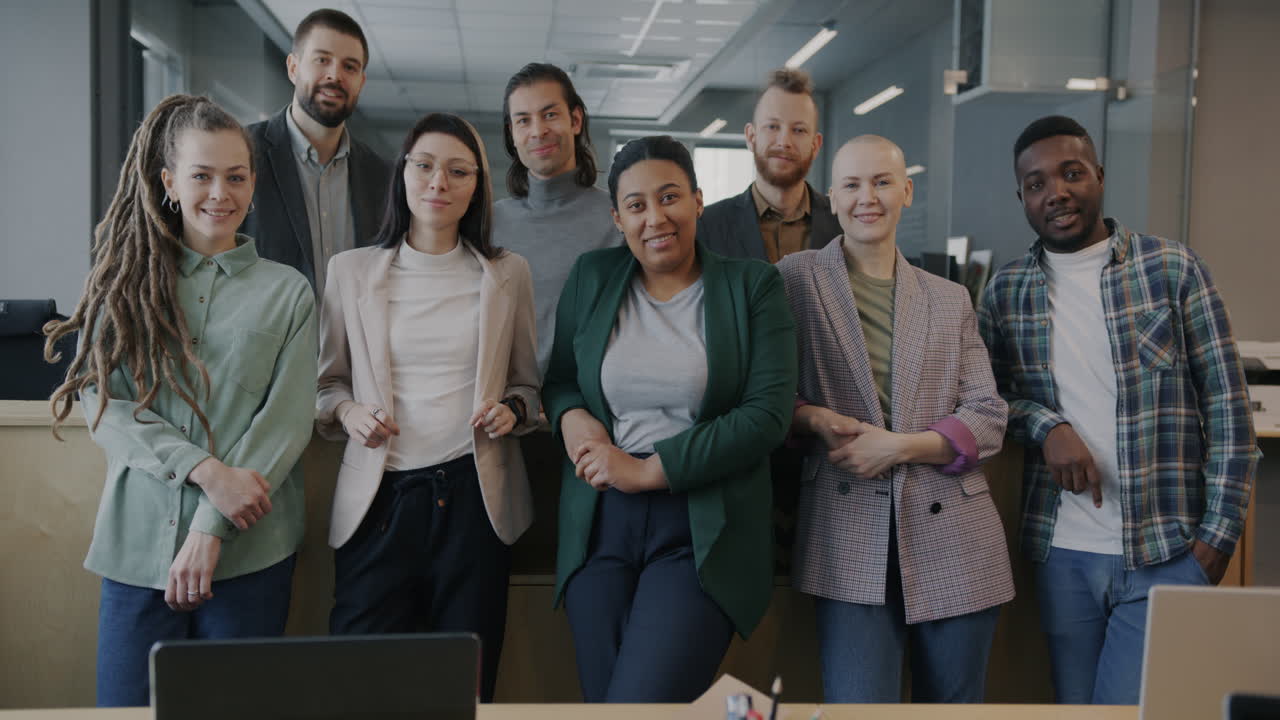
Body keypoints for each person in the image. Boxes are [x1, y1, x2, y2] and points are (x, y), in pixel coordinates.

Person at [44, 94, 317, 707]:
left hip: (250, 557)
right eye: (201, 175)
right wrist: (201, 469)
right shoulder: (123, 280)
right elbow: (102, 404)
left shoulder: (288, 293)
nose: (220, 192)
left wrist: (211, 525)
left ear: (253, 184)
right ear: (169, 181)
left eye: (236, 176)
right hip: (135, 548)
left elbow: (286, 422)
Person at [978, 115, 1260, 704]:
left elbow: (1231, 413)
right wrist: (1046, 424)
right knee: (1077, 711)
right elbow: (985, 397)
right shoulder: (1005, 292)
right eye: (1036, 183)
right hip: (1064, 555)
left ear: (1099, 177)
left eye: (1071, 173)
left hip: (1167, 549)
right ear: (1022, 198)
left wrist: (1217, 537)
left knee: (1133, 712)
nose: (1055, 192)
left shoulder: (1173, 269)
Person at [542, 135, 798, 702]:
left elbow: (766, 417)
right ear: (617, 218)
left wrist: (648, 471)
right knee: (607, 707)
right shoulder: (591, 277)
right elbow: (559, 380)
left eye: (670, 197)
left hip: (700, 526)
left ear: (699, 202)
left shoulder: (753, 286)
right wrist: (571, 418)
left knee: (640, 706)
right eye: (636, 205)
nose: (655, 218)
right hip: (600, 524)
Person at [779, 136, 1013, 703]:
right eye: (853, 185)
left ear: (906, 191)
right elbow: (765, 393)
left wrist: (900, 447)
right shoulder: (794, 278)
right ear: (830, 197)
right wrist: (810, 416)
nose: (868, 198)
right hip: (846, 529)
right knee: (859, 707)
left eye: (882, 182)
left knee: (953, 713)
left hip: (956, 537)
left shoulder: (950, 297)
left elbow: (988, 414)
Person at [315, 112, 539, 703]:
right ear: (403, 175)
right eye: (425, 165)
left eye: (458, 170)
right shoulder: (352, 271)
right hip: (380, 499)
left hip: (473, 498)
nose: (439, 181)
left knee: (461, 687)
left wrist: (513, 410)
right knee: (361, 683)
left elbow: (529, 387)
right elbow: (326, 385)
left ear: (476, 186)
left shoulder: (507, 274)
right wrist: (348, 413)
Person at [244, 8, 390, 297]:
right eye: (322, 60)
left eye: (350, 67)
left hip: (354, 342)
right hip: (268, 341)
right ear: (293, 68)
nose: (335, 75)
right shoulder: (242, 153)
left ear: (361, 82)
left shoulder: (383, 176)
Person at [494, 62, 617, 379]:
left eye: (550, 114)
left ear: (575, 120)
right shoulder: (487, 222)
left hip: (590, 414)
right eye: (523, 120)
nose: (537, 131)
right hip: (502, 414)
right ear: (513, 133)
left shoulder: (618, 220)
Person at [698, 67, 840, 262]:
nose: (784, 141)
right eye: (773, 127)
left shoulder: (844, 223)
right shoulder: (707, 227)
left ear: (815, 145)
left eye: (798, 130)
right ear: (751, 136)